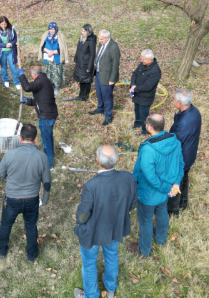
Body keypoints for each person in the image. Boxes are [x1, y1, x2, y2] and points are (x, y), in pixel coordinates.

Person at [73, 146, 137, 298]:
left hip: (93, 232)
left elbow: (83, 215)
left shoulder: (91, 185)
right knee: (111, 255)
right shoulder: (128, 177)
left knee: (89, 263)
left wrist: (78, 222)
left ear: (97, 161)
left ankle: (91, 295)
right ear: (117, 159)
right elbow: (134, 203)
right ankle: (110, 289)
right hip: (115, 227)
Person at [0, 124, 51, 263]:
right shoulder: (42, 157)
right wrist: (45, 199)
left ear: (20, 138)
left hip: (12, 199)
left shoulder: (10, 154)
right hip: (32, 199)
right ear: (36, 139)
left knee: (6, 225)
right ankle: (31, 255)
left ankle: (2, 249)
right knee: (31, 227)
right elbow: (47, 182)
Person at [128, 114, 184, 258]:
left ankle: (144, 250)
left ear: (149, 126)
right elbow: (180, 165)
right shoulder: (175, 141)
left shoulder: (148, 149)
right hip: (165, 193)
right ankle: (160, 239)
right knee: (161, 212)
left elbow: (149, 176)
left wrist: (167, 188)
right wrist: (174, 184)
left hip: (148, 194)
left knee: (146, 220)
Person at [17, 62, 59, 169]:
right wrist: (28, 101)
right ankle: (50, 159)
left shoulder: (40, 81)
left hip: (46, 116)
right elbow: (40, 100)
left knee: (46, 141)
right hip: (50, 114)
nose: (31, 77)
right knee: (48, 138)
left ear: (34, 74)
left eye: (31, 75)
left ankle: (48, 165)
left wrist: (21, 75)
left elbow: (27, 87)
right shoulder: (45, 81)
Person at [167, 89, 201, 216]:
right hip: (190, 153)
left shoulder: (184, 122)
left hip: (182, 156)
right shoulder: (194, 111)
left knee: (175, 182)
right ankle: (183, 203)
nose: (173, 101)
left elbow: (175, 141)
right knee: (184, 178)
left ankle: (173, 210)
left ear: (180, 103)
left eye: (175, 99)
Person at [89, 29, 120, 125]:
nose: (99, 41)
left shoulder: (113, 47)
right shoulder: (101, 43)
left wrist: (112, 79)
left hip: (107, 77)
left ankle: (108, 116)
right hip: (98, 73)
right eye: (99, 39)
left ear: (108, 38)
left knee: (107, 97)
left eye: (101, 39)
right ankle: (100, 108)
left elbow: (115, 64)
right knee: (99, 93)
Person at [129, 50, 161, 135]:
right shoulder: (142, 64)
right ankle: (136, 125)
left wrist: (135, 89)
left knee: (144, 115)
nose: (141, 61)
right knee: (137, 111)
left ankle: (144, 131)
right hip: (137, 95)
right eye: (141, 59)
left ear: (150, 60)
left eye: (143, 59)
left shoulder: (155, 71)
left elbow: (148, 86)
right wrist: (132, 85)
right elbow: (134, 74)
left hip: (146, 97)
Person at [38, 22, 69, 94]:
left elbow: (62, 48)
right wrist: (48, 51)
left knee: (56, 72)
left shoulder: (60, 36)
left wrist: (53, 52)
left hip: (56, 57)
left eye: (53, 29)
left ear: (56, 29)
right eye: (50, 29)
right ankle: (50, 85)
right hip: (48, 57)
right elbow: (42, 46)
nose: (51, 31)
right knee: (48, 72)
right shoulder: (46, 35)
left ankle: (57, 86)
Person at [0, 15, 21, 90]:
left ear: (7, 23)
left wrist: (11, 44)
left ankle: (16, 82)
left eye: (5, 24)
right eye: (2, 24)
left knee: (13, 67)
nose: (4, 26)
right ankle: (6, 80)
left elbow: (15, 38)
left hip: (11, 51)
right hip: (2, 52)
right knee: (3, 67)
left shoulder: (11, 29)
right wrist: (5, 45)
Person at [72, 24, 97, 102]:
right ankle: (81, 94)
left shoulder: (91, 41)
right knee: (81, 79)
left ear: (88, 32)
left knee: (87, 81)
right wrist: (75, 59)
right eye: (82, 31)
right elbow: (78, 49)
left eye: (84, 31)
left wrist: (89, 67)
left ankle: (85, 96)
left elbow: (92, 55)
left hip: (86, 64)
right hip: (80, 63)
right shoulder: (82, 38)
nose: (82, 33)